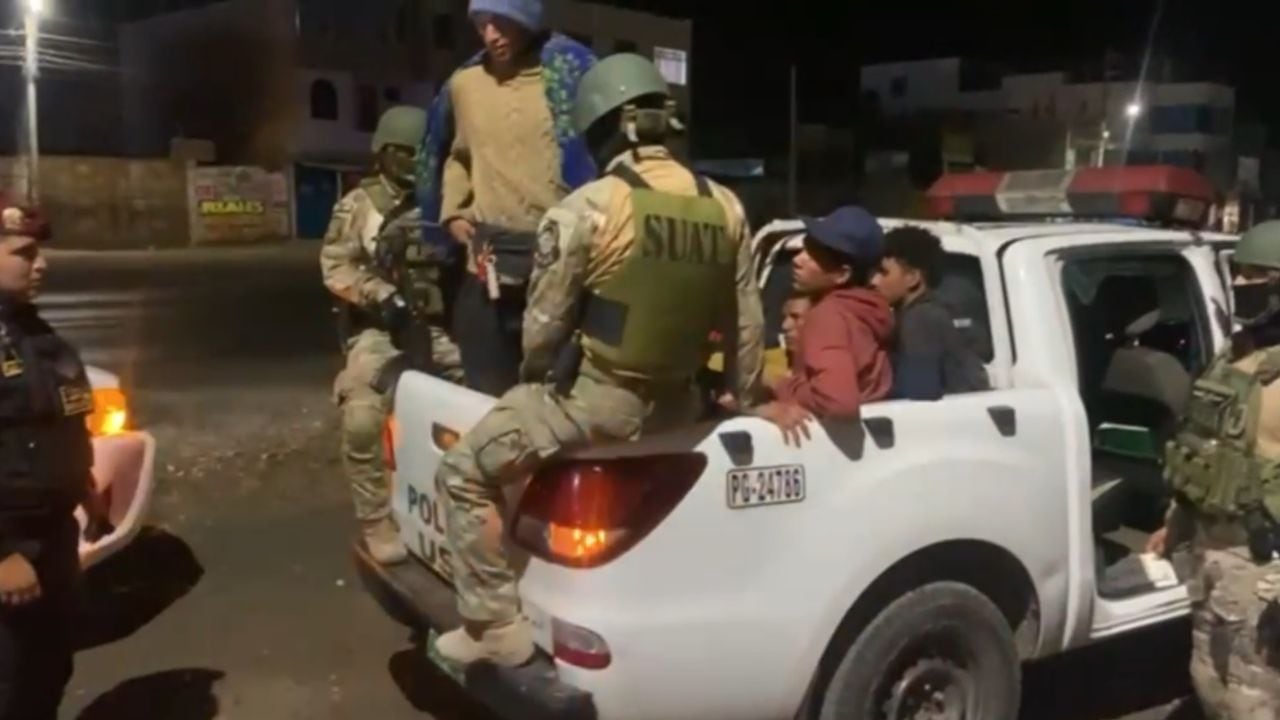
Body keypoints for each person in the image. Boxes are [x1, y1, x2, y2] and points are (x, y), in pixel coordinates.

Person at [433, 53, 764, 667]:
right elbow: (747, 328)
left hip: (597, 403)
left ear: (604, 129)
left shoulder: (587, 207)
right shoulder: (727, 206)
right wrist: (735, 399)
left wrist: (537, 383)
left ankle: (492, 627)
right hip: (682, 404)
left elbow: (542, 329)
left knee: (462, 471)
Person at [416, 0, 597, 396]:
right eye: (482, 23)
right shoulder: (465, 86)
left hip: (558, 262)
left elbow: (600, 153)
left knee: (556, 392)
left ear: (527, 19)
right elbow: (456, 155)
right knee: (487, 392)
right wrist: (452, 213)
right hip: (488, 258)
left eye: (502, 21)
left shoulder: (571, 77)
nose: (491, 34)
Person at [1148, 220, 1280, 718]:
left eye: (1256, 277)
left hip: (1264, 564)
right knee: (1212, 681)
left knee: (1253, 700)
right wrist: (1176, 523)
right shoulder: (1236, 358)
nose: (1240, 287)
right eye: (1239, 275)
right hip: (1214, 556)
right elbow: (1207, 446)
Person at [321, 106, 462, 565]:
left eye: (416, 153)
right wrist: (380, 295)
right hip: (384, 333)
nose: (408, 162)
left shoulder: (448, 197)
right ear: (381, 154)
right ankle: (376, 519)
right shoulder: (360, 206)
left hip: (444, 327)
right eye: (398, 152)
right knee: (362, 418)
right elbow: (336, 264)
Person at [0, 200, 104, 719]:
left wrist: (85, 487)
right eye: (25, 252)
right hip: (11, 545)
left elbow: (58, 420)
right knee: (9, 683)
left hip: (53, 536)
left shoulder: (35, 335)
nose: (41, 264)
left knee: (48, 667)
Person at [755, 207, 894, 445]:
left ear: (841, 275)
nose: (798, 259)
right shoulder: (870, 309)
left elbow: (839, 402)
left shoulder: (828, 315)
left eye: (814, 254)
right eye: (805, 247)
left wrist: (782, 386)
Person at [872, 225, 990, 400]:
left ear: (912, 278)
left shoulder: (920, 319)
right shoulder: (931, 312)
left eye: (883, 273)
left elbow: (919, 392)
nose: (874, 281)